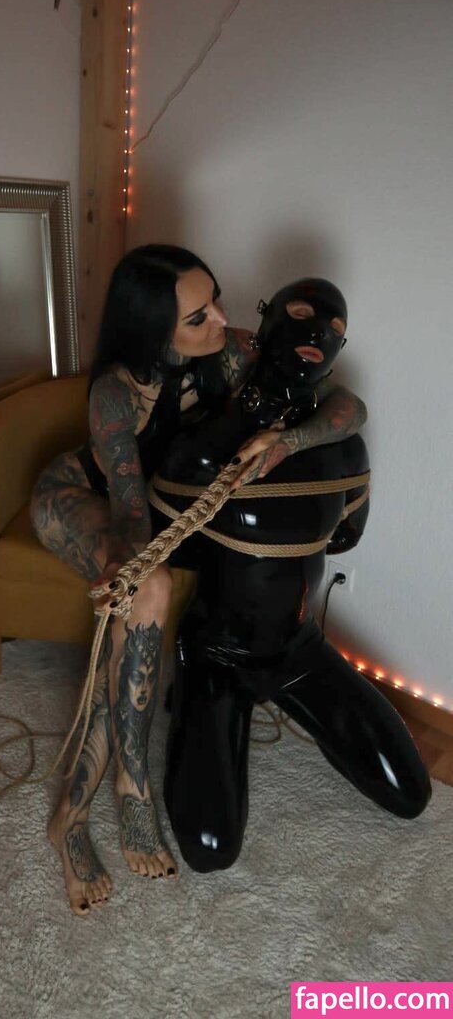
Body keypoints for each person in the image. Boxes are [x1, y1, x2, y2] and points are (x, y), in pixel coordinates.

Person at [29, 248, 368, 917]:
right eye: (197, 316)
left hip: (160, 504)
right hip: (85, 499)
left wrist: (287, 443)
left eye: (214, 299)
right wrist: (127, 576)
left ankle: (121, 788)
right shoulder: (115, 394)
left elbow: (348, 405)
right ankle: (99, 805)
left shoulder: (230, 351)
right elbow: (132, 518)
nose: (219, 318)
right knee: (147, 593)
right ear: (153, 328)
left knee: (165, 592)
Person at [147, 278, 431, 872]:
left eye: (334, 330)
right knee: (210, 848)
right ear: (268, 320)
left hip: (299, 649)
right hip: (217, 652)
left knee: (411, 793)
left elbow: (347, 533)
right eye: (301, 314)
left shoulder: (343, 448)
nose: (317, 333)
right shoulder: (205, 442)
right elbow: (166, 544)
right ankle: (199, 697)